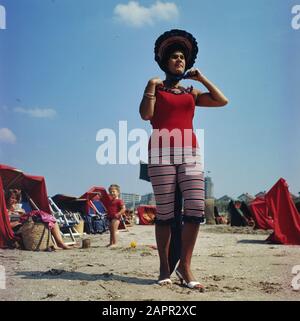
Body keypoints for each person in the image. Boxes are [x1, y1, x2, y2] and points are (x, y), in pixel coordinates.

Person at [139, 29, 228, 290]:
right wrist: (150, 86)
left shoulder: (191, 93)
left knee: (196, 209)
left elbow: (222, 101)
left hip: (190, 153)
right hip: (160, 153)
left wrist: (202, 78)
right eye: (174, 57)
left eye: (182, 57)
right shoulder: (157, 88)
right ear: (165, 61)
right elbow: (146, 115)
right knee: (165, 213)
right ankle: (164, 267)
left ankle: (185, 267)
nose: (179, 60)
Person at [5, 189, 75, 250]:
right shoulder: (4, 210)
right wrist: (17, 221)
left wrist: (22, 214)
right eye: (12, 198)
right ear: (7, 198)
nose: (14, 200)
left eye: (16, 199)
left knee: (51, 220)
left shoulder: (19, 209)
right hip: (18, 228)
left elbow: (25, 218)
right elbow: (5, 226)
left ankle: (60, 242)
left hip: (26, 224)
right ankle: (57, 244)